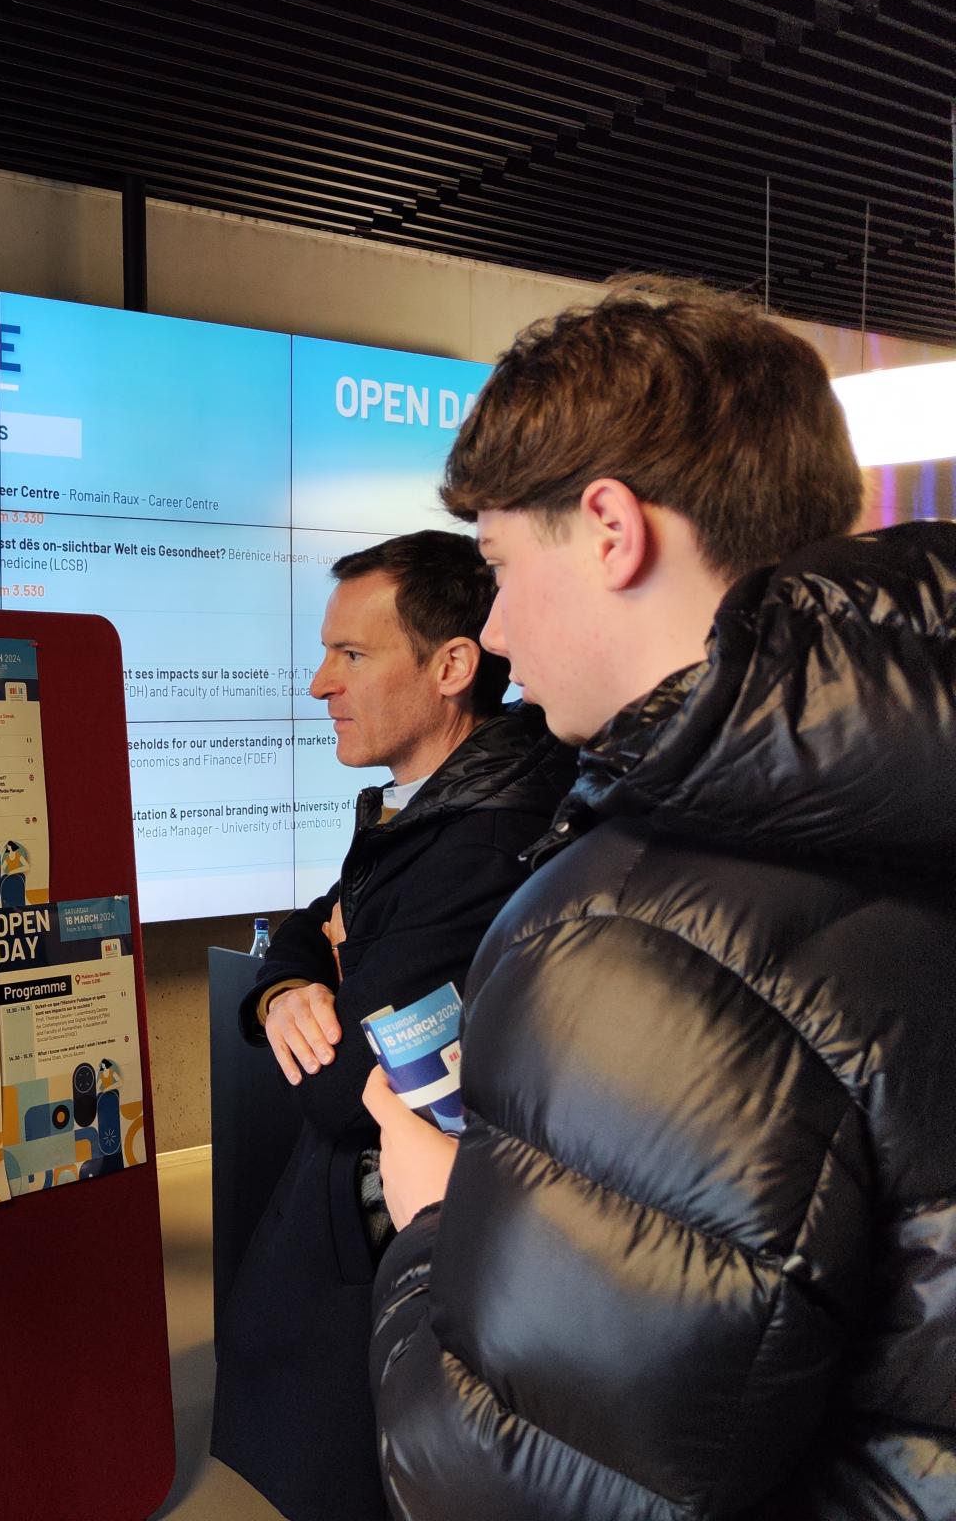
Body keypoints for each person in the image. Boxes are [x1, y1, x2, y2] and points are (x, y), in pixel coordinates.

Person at [364, 281, 956, 1520]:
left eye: (497, 569)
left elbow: (505, 1483)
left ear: (609, 528)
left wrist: (432, 1230)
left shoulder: (628, 940)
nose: (499, 631)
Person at [210, 530, 574, 1521]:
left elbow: (346, 1093)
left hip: (393, 1269)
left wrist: (327, 956)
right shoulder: (427, 807)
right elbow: (302, 925)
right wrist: (290, 981)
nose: (320, 682)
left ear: (451, 666)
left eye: (351, 655)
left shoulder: (483, 836)